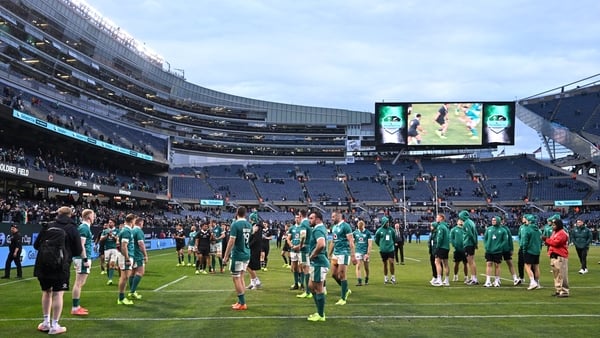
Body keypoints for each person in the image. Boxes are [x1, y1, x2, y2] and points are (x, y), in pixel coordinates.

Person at [33, 206, 82, 334]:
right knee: (58, 293)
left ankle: (45, 323)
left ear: (58, 214)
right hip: (61, 266)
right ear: (70, 215)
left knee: (46, 292)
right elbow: (78, 250)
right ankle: (55, 325)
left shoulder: (47, 225)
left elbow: (36, 245)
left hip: (43, 265)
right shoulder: (72, 228)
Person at [222, 206, 252, 311]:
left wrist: (225, 256)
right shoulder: (249, 224)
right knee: (241, 277)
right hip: (247, 253)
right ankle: (241, 301)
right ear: (245, 214)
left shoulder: (235, 224)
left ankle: (242, 303)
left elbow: (231, 241)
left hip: (238, 254)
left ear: (236, 212)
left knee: (236, 277)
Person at [327, 210, 356, 305]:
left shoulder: (346, 226)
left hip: (344, 253)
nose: (332, 218)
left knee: (342, 275)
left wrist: (353, 255)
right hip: (336, 253)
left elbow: (351, 241)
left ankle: (343, 298)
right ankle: (346, 290)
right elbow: (333, 241)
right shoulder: (334, 227)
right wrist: (329, 253)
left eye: (333, 216)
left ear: (339, 216)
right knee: (334, 275)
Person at [71, 209, 95, 316]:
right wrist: (85, 259)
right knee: (79, 283)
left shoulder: (84, 228)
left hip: (81, 258)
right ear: (89, 217)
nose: (94, 217)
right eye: (93, 215)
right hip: (81, 258)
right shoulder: (84, 228)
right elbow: (81, 245)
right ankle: (75, 307)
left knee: (80, 283)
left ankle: (76, 306)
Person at [306, 210, 329, 322]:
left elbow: (321, 244)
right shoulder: (320, 228)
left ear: (318, 219)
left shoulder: (318, 229)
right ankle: (319, 311)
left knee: (318, 288)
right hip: (318, 263)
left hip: (319, 262)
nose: (310, 220)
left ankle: (321, 314)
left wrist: (312, 255)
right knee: (311, 286)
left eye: (311, 218)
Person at [543, 218, 569, 297]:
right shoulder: (555, 232)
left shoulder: (562, 233)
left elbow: (556, 243)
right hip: (554, 255)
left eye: (554, 225)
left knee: (562, 275)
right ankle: (558, 289)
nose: (552, 226)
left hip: (560, 256)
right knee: (556, 274)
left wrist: (546, 240)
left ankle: (564, 291)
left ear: (558, 225)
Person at [483, 216, 508, 288]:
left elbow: (505, 240)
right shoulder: (489, 229)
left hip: (498, 251)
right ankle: (488, 281)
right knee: (489, 264)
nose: (493, 221)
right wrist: (486, 246)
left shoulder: (503, 230)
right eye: (492, 220)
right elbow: (485, 238)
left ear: (498, 221)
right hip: (489, 250)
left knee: (497, 265)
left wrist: (500, 247)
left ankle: (496, 281)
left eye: (494, 220)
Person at [117, 214, 136, 305]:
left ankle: (121, 297)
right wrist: (127, 258)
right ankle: (121, 298)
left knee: (124, 277)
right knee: (124, 277)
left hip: (125, 256)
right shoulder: (126, 231)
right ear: (132, 221)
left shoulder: (125, 230)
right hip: (126, 257)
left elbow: (118, 243)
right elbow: (124, 246)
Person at [129, 216, 148, 300]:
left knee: (132, 272)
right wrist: (145, 255)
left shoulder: (131, 230)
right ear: (140, 223)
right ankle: (132, 292)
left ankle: (132, 291)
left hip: (131, 254)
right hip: (137, 254)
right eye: (143, 223)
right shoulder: (138, 231)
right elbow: (141, 244)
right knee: (140, 272)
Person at [296, 209, 313, 298]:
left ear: (300, 214)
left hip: (304, 248)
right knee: (307, 268)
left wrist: (300, 245)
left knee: (306, 269)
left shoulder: (303, 223)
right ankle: (309, 290)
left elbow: (303, 235)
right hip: (310, 247)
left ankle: (308, 291)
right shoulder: (309, 222)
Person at [522, 214, 542, 290]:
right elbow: (540, 242)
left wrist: (524, 250)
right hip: (537, 251)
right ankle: (537, 283)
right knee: (536, 267)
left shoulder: (527, 230)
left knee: (527, 266)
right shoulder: (539, 230)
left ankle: (532, 282)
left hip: (529, 250)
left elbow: (525, 242)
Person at [374, 216, 396, 285]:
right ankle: (386, 277)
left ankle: (393, 277)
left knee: (391, 262)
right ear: (383, 223)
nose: (388, 223)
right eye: (386, 222)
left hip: (390, 249)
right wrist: (381, 245)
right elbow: (376, 240)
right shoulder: (379, 231)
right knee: (385, 264)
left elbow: (394, 238)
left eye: (388, 222)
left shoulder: (392, 230)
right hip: (383, 250)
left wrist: (391, 244)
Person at [459, 210, 479, 285]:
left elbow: (470, 234)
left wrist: (474, 243)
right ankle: (473, 277)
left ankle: (474, 279)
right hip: (471, 244)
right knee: (471, 261)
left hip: (468, 243)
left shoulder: (466, 223)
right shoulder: (471, 222)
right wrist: (475, 242)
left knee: (471, 261)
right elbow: (475, 233)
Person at [499, 217, 520, 285]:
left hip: (506, 249)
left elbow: (510, 240)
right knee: (497, 264)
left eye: (502, 220)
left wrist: (511, 249)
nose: (502, 222)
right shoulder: (493, 228)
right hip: (498, 249)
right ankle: (497, 279)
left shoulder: (506, 229)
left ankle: (515, 278)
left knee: (510, 263)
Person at [432, 214, 450, 287]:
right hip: (446, 247)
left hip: (441, 247)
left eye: (437, 217)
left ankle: (439, 280)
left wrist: (437, 247)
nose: (436, 218)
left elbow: (440, 238)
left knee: (437, 262)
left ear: (441, 218)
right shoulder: (446, 226)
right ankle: (447, 280)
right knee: (445, 263)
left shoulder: (440, 227)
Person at [353, 220, 373, 286]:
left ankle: (366, 279)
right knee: (358, 266)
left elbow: (370, 244)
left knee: (366, 267)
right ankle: (359, 281)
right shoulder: (355, 233)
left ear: (363, 226)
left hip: (365, 252)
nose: (360, 229)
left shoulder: (367, 233)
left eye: (361, 228)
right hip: (358, 251)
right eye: (359, 228)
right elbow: (352, 242)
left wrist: (368, 254)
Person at [246, 214, 263, 289]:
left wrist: (248, 245)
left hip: (254, 249)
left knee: (249, 265)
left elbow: (255, 239)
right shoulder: (254, 226)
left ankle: (256, 281)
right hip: (253, 248)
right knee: (248, 265)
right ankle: (253, 282)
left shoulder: (257, 227)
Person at [100, 219, 118, 286]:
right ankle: (109, 278)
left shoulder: (117, 231)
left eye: (111, 222)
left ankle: (110, 279)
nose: (109, 223)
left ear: (114, 223)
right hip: (106, 249)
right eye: (109, 222)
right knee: (107, 265)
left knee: (112, 263)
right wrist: (107, 235)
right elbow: (101, 239)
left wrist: (112, 236)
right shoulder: (105, 231)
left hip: (114, 249)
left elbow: (117, 239)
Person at [287, 215, 303, 290]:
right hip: (293, 249)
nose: (297, 219)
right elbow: (288, 238)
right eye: (296, 217)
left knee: (302, 266)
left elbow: (304, 239)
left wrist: (299, 246)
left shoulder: (303, 227)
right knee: (294, 267)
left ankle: (302, 284)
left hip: (301, 249)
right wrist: (292, 246)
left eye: (298, 217)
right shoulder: (292, 228)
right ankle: (296, 283)